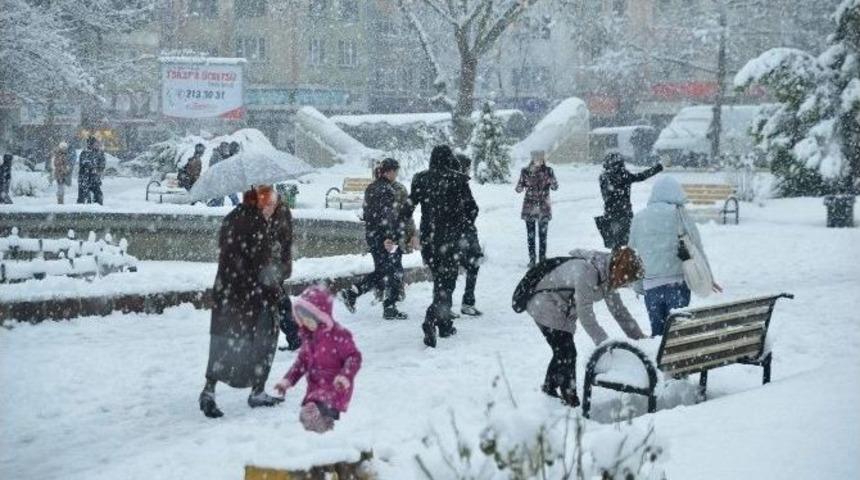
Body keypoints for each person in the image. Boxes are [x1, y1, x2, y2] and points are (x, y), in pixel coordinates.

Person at [199, 185, 284, 418]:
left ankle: (209, 390)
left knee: (222, 341)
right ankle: (258, 391)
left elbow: (227, 250)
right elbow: (262, 266)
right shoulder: (257, 224)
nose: (273, 210)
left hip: (227, 291)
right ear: (261, 203)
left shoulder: (232, 217)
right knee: (266, 337)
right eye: (271, 205)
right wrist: (276, 292)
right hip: (252, 295)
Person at [522, 247, 647, 406]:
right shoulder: (587, 272)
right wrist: (604, 345)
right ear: (621, 272)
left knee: (563, 351)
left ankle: (550, 389)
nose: (627, 284)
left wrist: (640, 339)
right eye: (627, 280)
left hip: (561, 308)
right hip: (545, 303)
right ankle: (570, 400)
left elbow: (619, 312)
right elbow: (585, 315)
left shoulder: (607, 275)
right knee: (566, 352)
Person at [629, 176, 722, 336]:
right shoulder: (679, 214)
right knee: (677, 335)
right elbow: (697, 247)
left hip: (651, 288)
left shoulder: (639, 218)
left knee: (658, 335)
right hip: (677, 285)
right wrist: (709, 277)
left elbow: (633, 255)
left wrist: (638, 285)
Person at [405, 145, 475, 347]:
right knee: (447, 284)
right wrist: (463, 226)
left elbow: (408, 207)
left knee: (440, 281)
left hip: (429, 241)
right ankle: (431, 319)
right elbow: (472, 209)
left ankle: (444, 324)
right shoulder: (458, 180)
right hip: (451, 241)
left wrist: (399, 233)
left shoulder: (421, 179)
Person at [273, 285, 362, 433]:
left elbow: (354, 357)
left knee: (318, 412)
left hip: (336, 385)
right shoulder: (309, 338)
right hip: (315, 388)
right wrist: (287, 381)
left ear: (320, 316)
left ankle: (326, 425)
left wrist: (345, 376)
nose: (306, 322)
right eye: (302, 319)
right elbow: (301, 363)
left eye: (309, 318)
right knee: (307, 417)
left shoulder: (338, 335)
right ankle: (321, 427)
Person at [340, 158, 409, 320]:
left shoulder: (371, 188)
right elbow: (387, 216)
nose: (396, 175)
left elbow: (367, 213)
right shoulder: (387, 190)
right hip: (385, 238)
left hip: (372, 235)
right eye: (395, 171)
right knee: (393, 270)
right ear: (389, 172)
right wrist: (389, 237)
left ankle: (354, 293)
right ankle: (389, 307)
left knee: (382, 270)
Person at [598, 153, 663, 249]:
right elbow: (641, 176)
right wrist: (658, 167)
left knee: (615, 243)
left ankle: (617, 256)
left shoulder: (604, 177)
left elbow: (607, 194)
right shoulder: (624, 175)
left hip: (611, 212)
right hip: (625, 212)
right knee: (628, 241)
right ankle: (626, 256)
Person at [267, 188, 300, 351]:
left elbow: (279, 240)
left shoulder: (279, 211)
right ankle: (295, 336)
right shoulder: (266, 209)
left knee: (278, 302)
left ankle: (295, 336)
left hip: (274, 266)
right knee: (277, 301)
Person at [515, 150, 558, 268]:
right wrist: (520, 187)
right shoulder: (525, 171)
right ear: (532, 159)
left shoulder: (548, 171)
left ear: (543, 159)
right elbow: (518, 188)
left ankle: (542, 259)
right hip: (529, 207)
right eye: (536, 158)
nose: (538, 160)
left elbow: (555, 187)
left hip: (543, 208)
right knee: (531, 235)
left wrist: (551, 181)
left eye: (540, 158)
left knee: (543, 236)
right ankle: (532, 259)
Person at [455, 154, 483, 316]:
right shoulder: (461, 184)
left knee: (452, 268)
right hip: (465, 233)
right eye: (468, 167)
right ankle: (467, 301)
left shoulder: (450, 183)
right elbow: (472, 208)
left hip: (454, 233)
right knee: (472, 264)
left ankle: (447, 304)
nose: (469, 170)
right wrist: (468, 220)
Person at [77, 136, 105, 204]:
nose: (97, 145)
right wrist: (91, 167)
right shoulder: (84, 153)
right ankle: (81, 207)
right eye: (95, 143)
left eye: (97, 143)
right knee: (84, 197)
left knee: (98, 195)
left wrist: (99, 169)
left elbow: (102, 163)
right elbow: (83, 163)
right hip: (85, 178)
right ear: (90, 144)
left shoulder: (99, 153)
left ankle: (98, 207)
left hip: (94, 178)